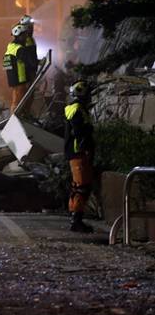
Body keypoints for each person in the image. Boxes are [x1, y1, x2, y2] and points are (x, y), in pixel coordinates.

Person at [64, 80, 95, 233]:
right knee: (81, 187)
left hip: (76, 153)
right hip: (78, 153)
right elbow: (80, 133)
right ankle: (76, 221)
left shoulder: (75, 108)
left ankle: (75, 217)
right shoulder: (77, 110)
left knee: (78, 186)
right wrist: (86, 148)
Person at [3, 24, 29, 114]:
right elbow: (28, 62)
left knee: (16, 99)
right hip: (20, 78)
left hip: (13, 78)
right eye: (24, 35)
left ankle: (15, 116)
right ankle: (15, 118)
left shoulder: (10, 47)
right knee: (18, 100)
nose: (26, 37)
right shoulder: (20, 49)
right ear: (20, 36)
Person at [19, 15, 40, 85]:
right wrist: (37, 62)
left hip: (30, 71)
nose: (32, 28)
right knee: (29, 93)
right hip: (27, 73)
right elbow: (28, 58)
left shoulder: (30, 39)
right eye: (30, 26)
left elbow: (32, 56)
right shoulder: (24, 40)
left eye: (32, 26)